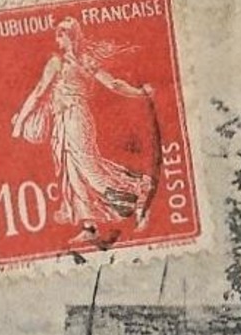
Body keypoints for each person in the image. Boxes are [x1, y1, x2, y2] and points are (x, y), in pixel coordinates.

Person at [11, 17, 157, 239]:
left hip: (76, 118)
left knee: (90, 168)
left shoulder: (66, 62)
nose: (58, 41)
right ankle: (88, 226)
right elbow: (41, 91)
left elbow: (111, 84)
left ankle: (138, 192)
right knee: (72, 173)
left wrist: (139, 93)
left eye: (61, 35)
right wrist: (139, 93)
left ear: (69, 36)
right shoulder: (76, 60)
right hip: (63, 121)